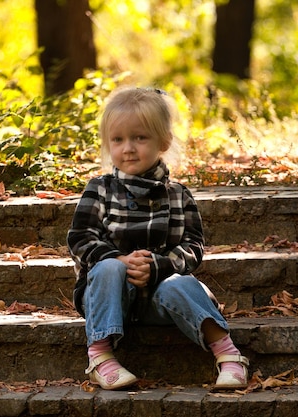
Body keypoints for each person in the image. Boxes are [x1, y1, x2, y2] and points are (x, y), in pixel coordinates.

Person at [67, 86, 249, 390]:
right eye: (118, 139)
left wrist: (160, 266)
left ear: (163, 141)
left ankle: (229, 356)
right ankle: (100, 357)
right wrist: (120, 261)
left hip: (159, 298)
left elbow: (192, 247)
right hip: (108, 298)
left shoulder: (177, 196)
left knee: (182, 283)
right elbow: (80, 238)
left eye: (140, 138)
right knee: (109, 268)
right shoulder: (99, 188)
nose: (128, 148)